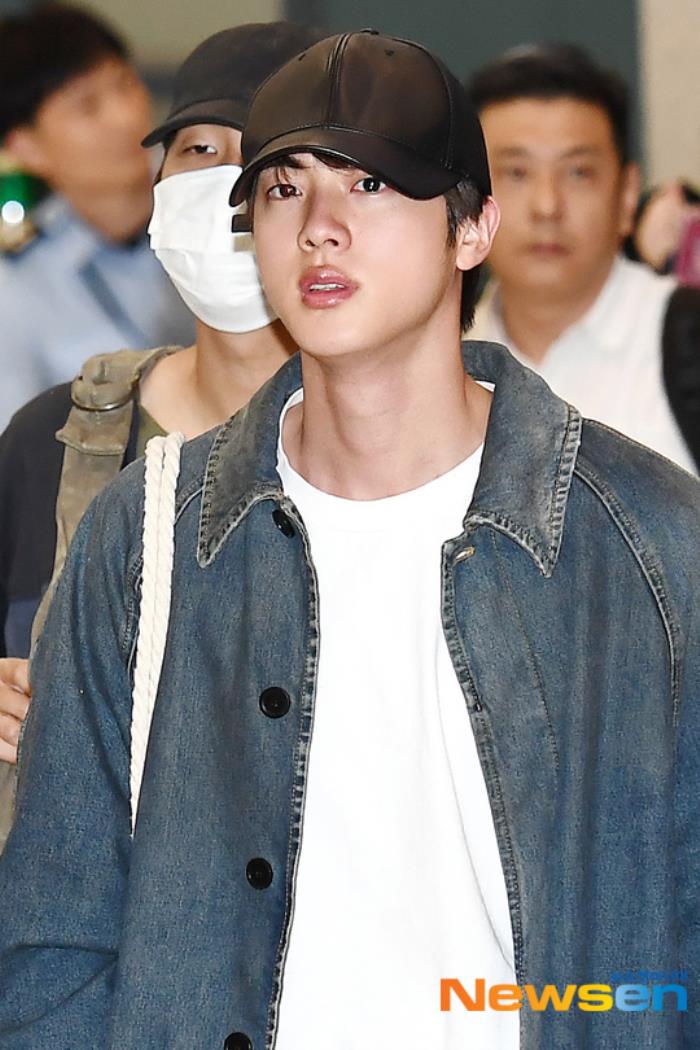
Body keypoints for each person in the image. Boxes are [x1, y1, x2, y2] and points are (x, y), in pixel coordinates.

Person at [1, 29, 699, 1050]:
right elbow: (55, 947)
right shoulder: (146, 533)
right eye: (283, 190)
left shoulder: (645, 539)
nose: (320, 228)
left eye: (371, 184)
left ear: (473, 229)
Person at [0, 21, 323, 849]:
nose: (226, 186)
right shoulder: (57, 440)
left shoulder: (392, 452)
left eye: (265, 156)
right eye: (198, 151)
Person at [466, 43, 697, 472]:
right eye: (516, 173)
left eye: (578, 173)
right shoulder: (443, 359)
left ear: (627, 195)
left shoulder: (687, 337)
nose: (547, 206)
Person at [0, 3, 194, 428]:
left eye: (125, 84)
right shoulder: (19, 290)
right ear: (25, 147)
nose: (125, 117)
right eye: (87, 106)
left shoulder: (214, 199)